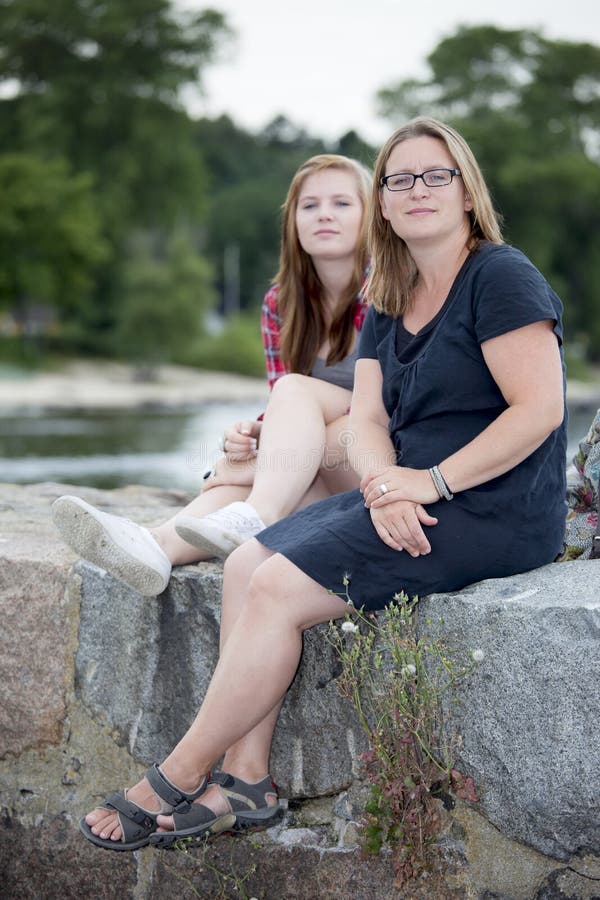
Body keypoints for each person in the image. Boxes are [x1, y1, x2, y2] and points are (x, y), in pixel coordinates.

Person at [80, 117, 567, 851]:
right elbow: (368, 420)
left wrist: (425, 486)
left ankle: (177, 773)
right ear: (386, 202)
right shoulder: (392, 290)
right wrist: (381, 485)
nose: (417, 189)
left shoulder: (499, 276)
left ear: (467, 191)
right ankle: (247, 784)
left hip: (491, 505)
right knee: (247, 561)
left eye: (436, 174)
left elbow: (540, 411)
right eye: (399, 179)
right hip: (407, 491)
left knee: (276, 591)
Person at [52, 153, 372, 595]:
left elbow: (393, 399)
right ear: (292, 221)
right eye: (309, 205)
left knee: (289, 425)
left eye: (341, 203)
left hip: (379, 450)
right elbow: (284, 410)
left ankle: (256, 510)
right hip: (326, 467)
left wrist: (262, 464)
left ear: (370, 215)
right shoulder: (281, 304)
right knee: (275, 470)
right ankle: (156, 547)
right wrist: (253, 436)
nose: (324, 215)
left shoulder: (385, 292)